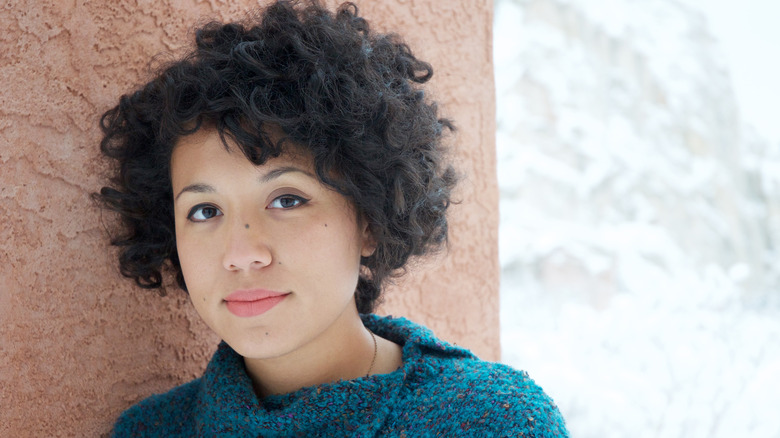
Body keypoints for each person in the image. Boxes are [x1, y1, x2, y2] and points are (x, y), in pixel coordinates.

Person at [97, 1, 568, 436]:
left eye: (286, 200)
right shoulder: (151, 430)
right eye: (205, 211)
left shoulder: (490, 422)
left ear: (369, 221)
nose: (241, 254)